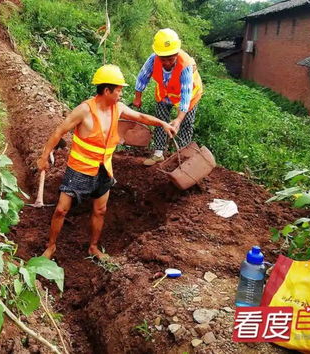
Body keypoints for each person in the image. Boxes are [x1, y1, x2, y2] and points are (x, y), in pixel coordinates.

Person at [37, 64, 176, 260]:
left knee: (100, 210)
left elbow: (140, 117)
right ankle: (51, 247)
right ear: (107, 90)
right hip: (78, 170)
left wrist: (162, 123)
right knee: (61, 210)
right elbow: (59, 132)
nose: (121, 94)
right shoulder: (84, 110)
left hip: (104, 170)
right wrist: (44, 157)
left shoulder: (117, 108)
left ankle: (93, 247)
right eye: (119, 90)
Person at [132, 28, 203, 166]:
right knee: (160, 121)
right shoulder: (153, 59)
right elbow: (142, 77)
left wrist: (178, 119)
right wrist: (137, 98)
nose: (167, 63)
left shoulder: (185, 65)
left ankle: (182, 159)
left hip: (188, 97)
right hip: (164, 94)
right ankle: (158, 154)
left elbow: (186, 95)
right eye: (163, 59)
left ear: (177, 53)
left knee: (186, 124)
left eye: (171, 59)